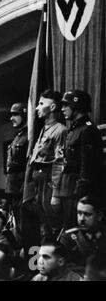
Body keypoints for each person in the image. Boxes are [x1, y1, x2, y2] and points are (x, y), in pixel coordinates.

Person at [22, 90, 67, 255]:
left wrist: (55, 191)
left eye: (42, 104)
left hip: (48, 182)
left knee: (50, 226)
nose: (37, 108)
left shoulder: (60, 130)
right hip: (38, 183)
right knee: (41, 226)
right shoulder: (44, 129)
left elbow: (59, 162)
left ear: (53, 106)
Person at [58, 90, 104, 229]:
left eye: (66, 105)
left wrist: (80, 194)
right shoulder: (73, 129)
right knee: (68, 228)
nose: (63, 109)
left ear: (76, 106)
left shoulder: (87, 130)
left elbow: (87, 167)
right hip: (68, 188)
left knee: (76, 229)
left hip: (78, 191)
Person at [59, 196, 106, 270]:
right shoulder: (68, 238)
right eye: (79, 213)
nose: (81, 219)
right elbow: (62, 267)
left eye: (87, 215)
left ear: (99, 216)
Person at [5, 103, 28, 231]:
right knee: (18, 228)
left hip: (21, 190)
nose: (11, 118)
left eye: (15, 114)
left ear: (24, 115)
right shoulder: (18, 137)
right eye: (11, 114)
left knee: (24, 228)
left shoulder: (28, 137)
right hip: (14, 190)